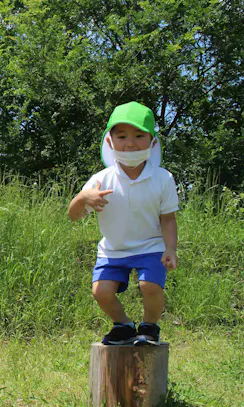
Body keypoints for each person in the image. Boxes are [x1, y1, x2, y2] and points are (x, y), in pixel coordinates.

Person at [68, 101, 178, 345]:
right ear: (109, 141)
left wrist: (170, 248)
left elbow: (168, 218)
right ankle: (124, 326)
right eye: (122, 136)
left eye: (139, 135)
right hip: (113, 249)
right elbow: (73, 215)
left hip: (151, 246)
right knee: (101, 292)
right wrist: (82, 198)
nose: (130, 142)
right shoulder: (100, 180)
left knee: (149, 285)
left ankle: (150, 326)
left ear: (152, 142)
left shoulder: (163, 178)